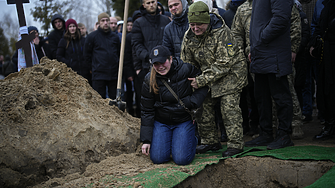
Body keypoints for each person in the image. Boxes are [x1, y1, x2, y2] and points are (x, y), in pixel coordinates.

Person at [181, 1, 248, 157]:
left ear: (207, 21)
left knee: (228, 107)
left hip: (231, 73)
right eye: (192, 25)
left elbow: (225, 63)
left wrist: (202, 80)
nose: (195, 28)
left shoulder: (222, 32)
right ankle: (210, 141)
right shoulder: (189, 36)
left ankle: (235, 144)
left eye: (199, 25)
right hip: (207, 75)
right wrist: (189, 79)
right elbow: (186, 62)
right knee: (202, 105)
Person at [140, 45, 208, 165]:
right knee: (158, 158)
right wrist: (146, 140)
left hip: (183, 119)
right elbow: (147, 110)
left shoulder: (185, 69)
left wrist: (193, 102)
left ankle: (191, 138)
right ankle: (172, 141)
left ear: (170, 59)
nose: (160, 67)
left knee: (182, 159)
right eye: (156, 64)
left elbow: (203, 85)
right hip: (162, 121)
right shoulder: (149, 80)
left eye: (163, 62)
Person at [245, 0, 294, 150]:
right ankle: (266, 133)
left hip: (274, 54)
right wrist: (255, 47)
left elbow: (280, 19)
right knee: (261, 96)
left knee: (280, 96)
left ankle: (284, 134)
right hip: (261, 53)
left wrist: (261, 37)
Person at [131, 0, 170, 98]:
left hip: (167, 65)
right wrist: (150, 57)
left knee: (167, 96)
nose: (151, 5)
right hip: (148, 66)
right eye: (148, 3)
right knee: (149, 98)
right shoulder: (138, 23)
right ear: (144, 5)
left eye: (153, 2)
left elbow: (170, 41)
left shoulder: (166, 20)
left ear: (156, 2)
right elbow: (137, 45)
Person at [309, 0, 335, 140]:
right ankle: (329, 125)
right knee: (326, 90)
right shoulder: (325, 4)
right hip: (327, 55)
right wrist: (315, 43)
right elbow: (318, 26)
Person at [84, 13, 120, 99]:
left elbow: (118, 53)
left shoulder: (115, 37)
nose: (105, 23)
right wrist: (92, 68)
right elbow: (87, 54)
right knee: (99, 99)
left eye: (107, 20)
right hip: (98, 74)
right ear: (99, 23)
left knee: (113, 99)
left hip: (113, 74)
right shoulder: (92, 37)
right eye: (103, 21)